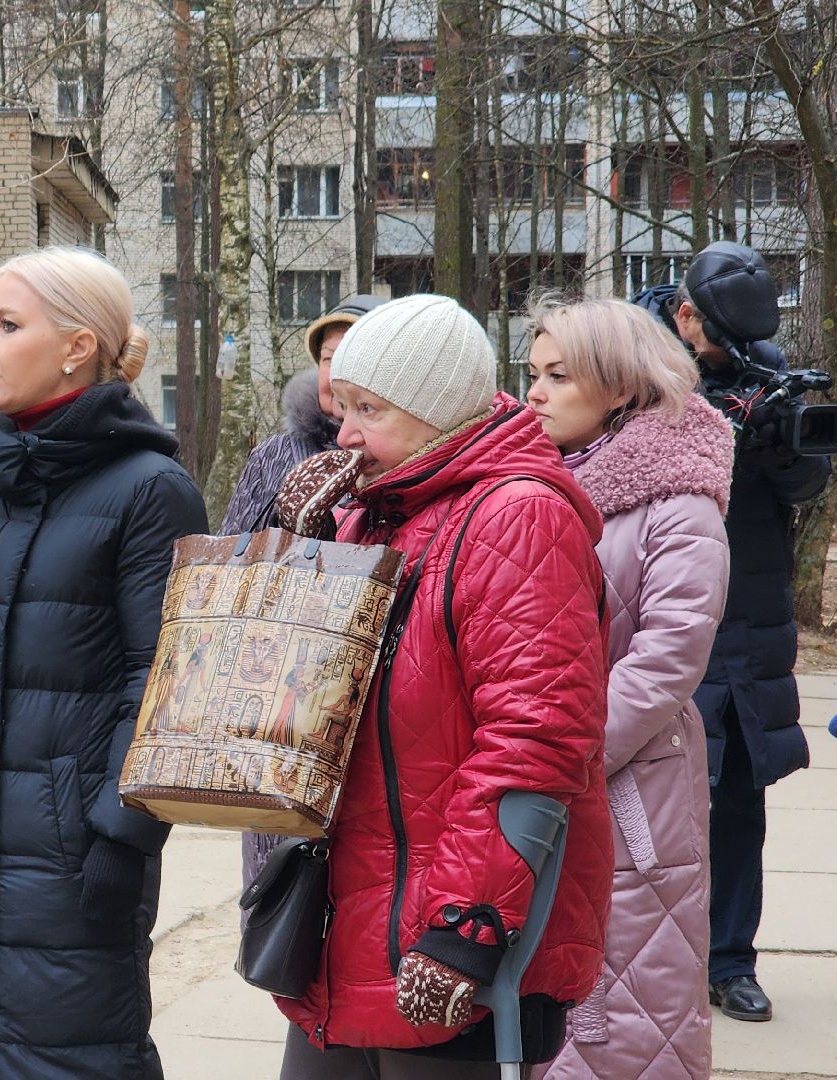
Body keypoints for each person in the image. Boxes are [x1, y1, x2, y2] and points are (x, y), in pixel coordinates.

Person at [274, 294, 611, 1079]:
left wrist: (467, 927)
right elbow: (297, 695)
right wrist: (301, 548)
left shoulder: (517, 516)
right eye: (340, 406)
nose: (344, 433)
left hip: (447, 937)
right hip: (351, 920)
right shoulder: (373, 512)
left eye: (368, 408)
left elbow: (537, 739)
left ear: (435, 412)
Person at [0, 246, 208, 1077]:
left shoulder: (151, 489)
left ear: (76, 346)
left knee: (74, 1056)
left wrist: (121, 836)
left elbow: (165, 683)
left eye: (7, 325)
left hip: (76, 858)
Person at [525, 298, 732, 1079]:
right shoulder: (532, 483)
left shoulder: (676, 499)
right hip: (536, 776)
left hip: (627, 785)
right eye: (531, 374)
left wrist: (562, 753)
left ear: (617, 387)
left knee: (626, 1012)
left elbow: (672, 652)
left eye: (557, 375)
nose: (535, 393)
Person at [639, 242, 832, 1022]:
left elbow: (807, 482)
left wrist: (780, 443)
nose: (736, 354)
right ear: (686, 316)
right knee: (651, 804)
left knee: (740, 800)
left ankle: (729, 961)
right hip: (663, 609)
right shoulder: (632, 364)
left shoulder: (765, 367)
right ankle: (648, 959)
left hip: (747, 612)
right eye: (723, 339)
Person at [221, 293, 385, 931]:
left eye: (349, 355)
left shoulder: (398, 464)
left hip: (369, 711)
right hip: (282, 710)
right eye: (325, 355)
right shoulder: (276, 457)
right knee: (280, 904)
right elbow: (233, 572)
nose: (332, 370)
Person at [220, 293, 387, 534]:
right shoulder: (273, 455)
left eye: (353, 359)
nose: (337, 375)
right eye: (329, 359)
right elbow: (232, 552)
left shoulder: (400, 460)